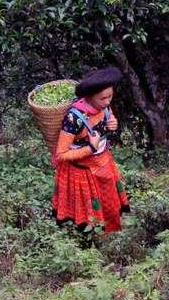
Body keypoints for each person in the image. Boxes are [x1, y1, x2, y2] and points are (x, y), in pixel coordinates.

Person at [52, 66, 129, 236]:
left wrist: (113, 123)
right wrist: (91, 148)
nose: (108, 101)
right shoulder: (72, 119)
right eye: (103, 98)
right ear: (89, 97)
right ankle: (87, 245)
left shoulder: (104, 107)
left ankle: (107, 236)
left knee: (108, 203)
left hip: (103, 163)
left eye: (110, 96)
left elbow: (108, 116)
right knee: (86, 216)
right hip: (82, 173)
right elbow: (61, 155)